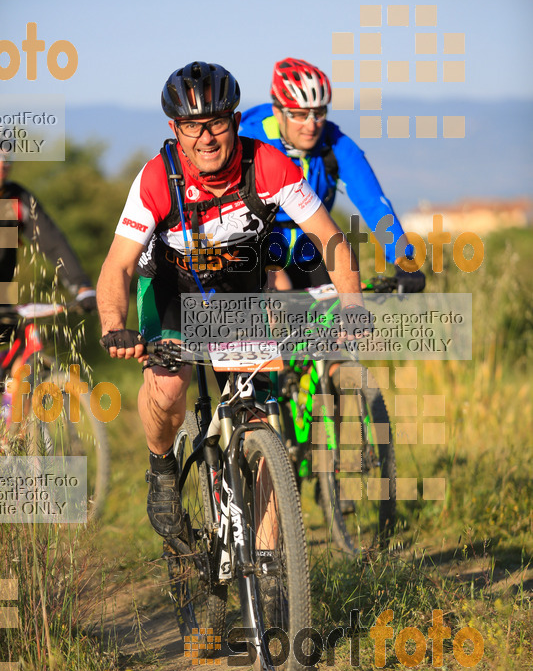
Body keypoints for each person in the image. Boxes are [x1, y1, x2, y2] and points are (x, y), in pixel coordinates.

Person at [96, 60, 372, 540]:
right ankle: (162, 467)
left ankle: (267, 575)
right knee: (167, 389)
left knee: (264, 420)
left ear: (235, 121)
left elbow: (329, 237)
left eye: (217, 123)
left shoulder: (267, 164)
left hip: (238, 296)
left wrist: (352, 304)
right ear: (175, 130)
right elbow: (117, 266)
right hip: (172, 292)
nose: (206, 137)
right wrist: (114, 325)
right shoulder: (158, 179)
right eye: (191, 127)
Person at [239, 57, 425, 292]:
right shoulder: (250, 141)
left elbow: (373, 203)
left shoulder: (335, 143)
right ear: (278, 111)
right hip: (261, 250)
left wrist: (403, 259)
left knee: (336, 320)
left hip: (312, 251)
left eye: (319, 113)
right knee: (275, 307)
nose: (311, 125)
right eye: (299, 114)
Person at [0, 150, 97, 312]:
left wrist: (81, 285)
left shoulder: (16, 198)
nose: (3, 164)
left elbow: (52, 243)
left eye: (7, 158)